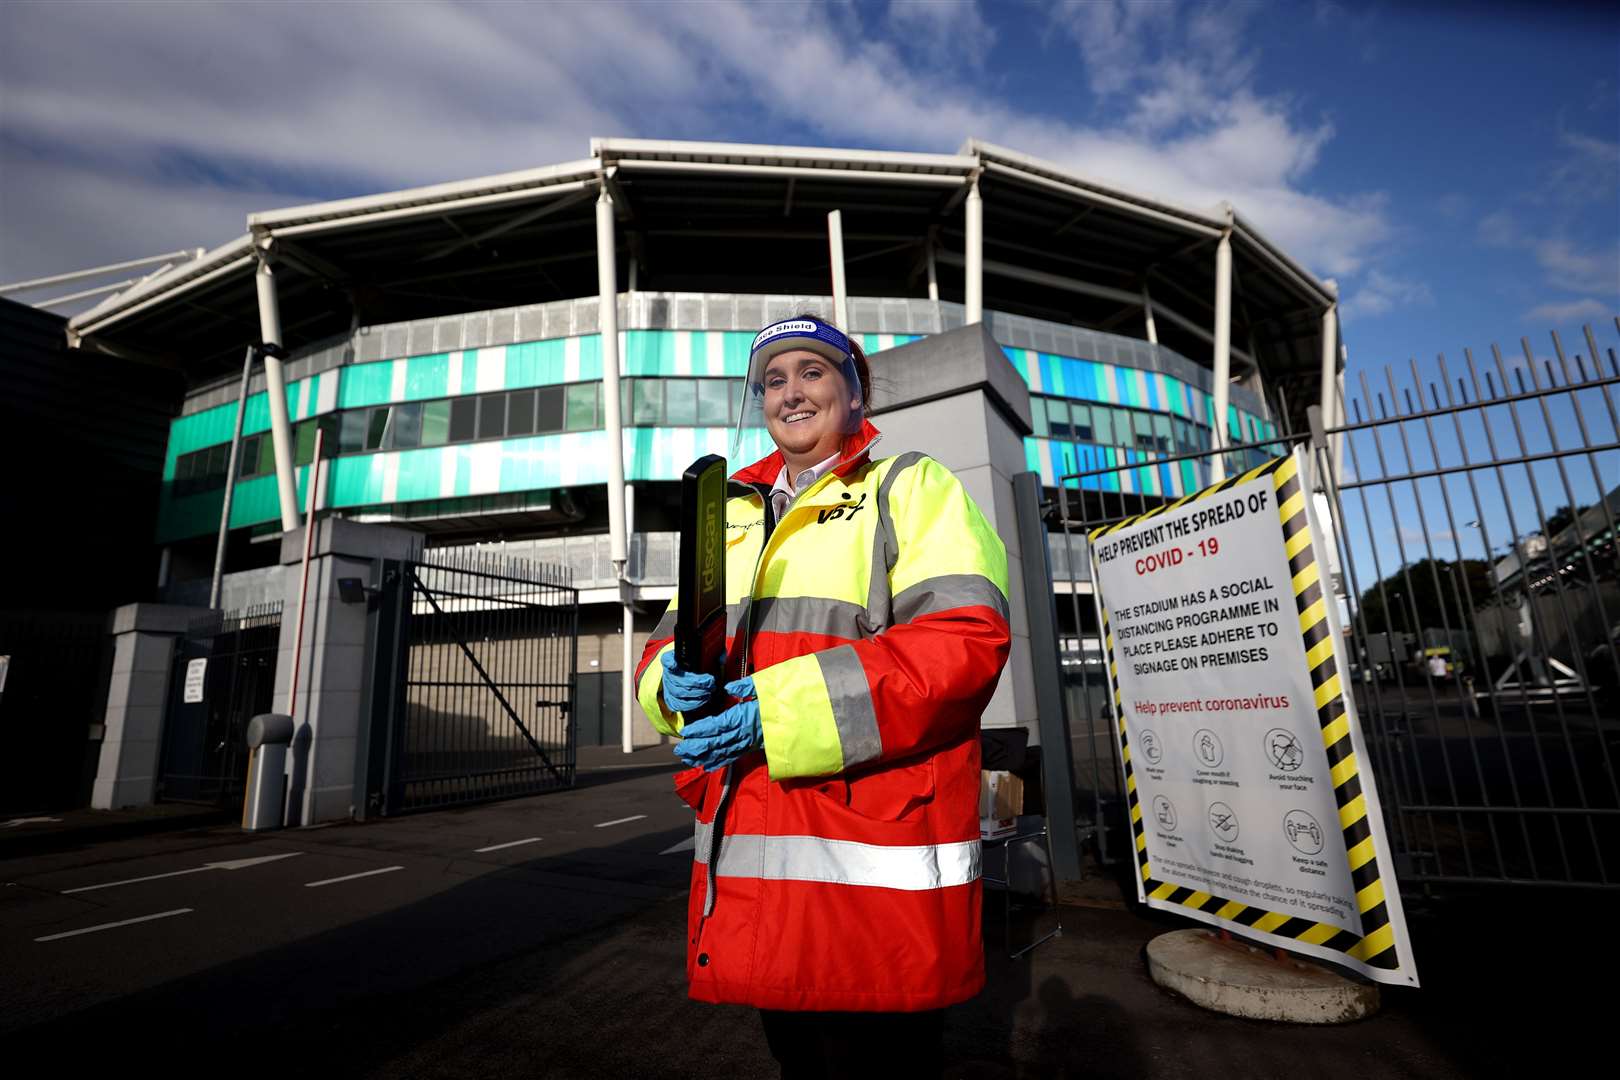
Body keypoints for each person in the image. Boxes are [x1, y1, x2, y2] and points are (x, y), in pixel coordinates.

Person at [634, 314, 1011, 1078]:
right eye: (773, 380)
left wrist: (779, 711)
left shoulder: (910, 485)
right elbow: (662, 651)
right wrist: (668, 685)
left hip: (870, 864)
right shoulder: (729, 514)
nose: (790, 392)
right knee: (798, 1060)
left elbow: (964, 644)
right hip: (759, 861)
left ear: (852, 391)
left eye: (811, 371)